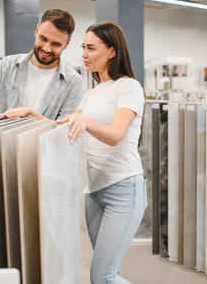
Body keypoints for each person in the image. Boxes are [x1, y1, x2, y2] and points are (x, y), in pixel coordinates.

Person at [56, 22, 146, 284]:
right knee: (108, 272)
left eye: (91, 48)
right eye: (83, 47)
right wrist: (30, 115)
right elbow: (67, 125)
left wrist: (86, 122)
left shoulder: (129, 87)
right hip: (93, 193)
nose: (84, 53)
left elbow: (116, 135)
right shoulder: (92, 94)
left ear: (112, 51)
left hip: (123, 190)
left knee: (102, 276)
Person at [0, 8, 83, 120]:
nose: (47, 48)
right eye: (43, 39)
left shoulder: (73, 82)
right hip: (4, 142)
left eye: (55, 44)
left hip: (41, 144)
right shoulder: (7, 65)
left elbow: (65, 129)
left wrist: (31, 114)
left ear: (67, 44)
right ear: (36, 31)